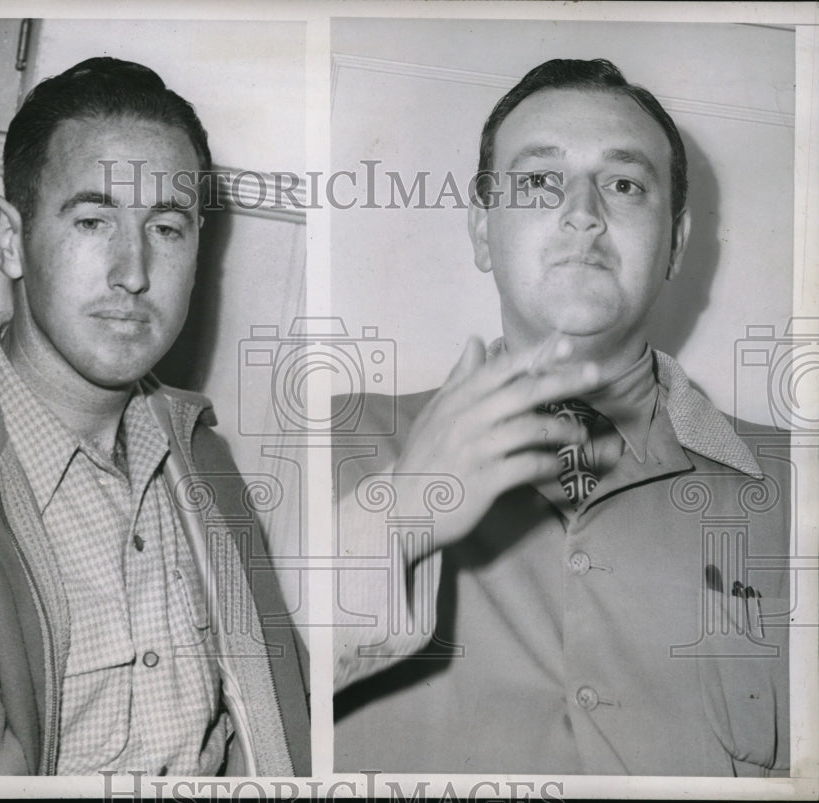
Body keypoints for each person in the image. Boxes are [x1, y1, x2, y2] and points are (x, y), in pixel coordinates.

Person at [0, 57, 309, 776]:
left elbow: (278, 720)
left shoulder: (201, 453)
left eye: (167, 228)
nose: (133, 271)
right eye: (94, 220)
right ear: (10, 236)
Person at [333, 58, 790, 776]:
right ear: (482, 230)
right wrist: (394, 517)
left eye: (625, 184)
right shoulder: (326, 448)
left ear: (674, 241)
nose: (584, 211)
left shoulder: (799, 490)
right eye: (541, 180)